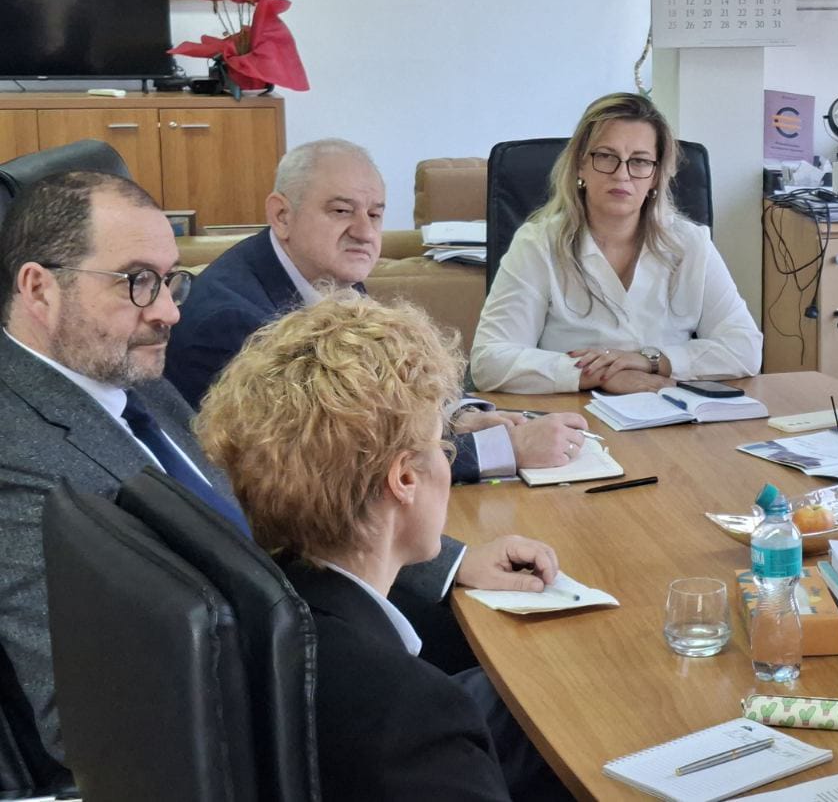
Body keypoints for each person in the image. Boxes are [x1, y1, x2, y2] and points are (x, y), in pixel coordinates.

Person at [0, 171, 558, 767]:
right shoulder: (19, 458)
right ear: (39, 289)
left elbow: (263, 502)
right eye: (136, 281)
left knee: (541, 656)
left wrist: (450, 565)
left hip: (312, 618)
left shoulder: (121, 369)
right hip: (270, 720)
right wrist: (361, 693)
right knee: (542, 715)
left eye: (169, 281)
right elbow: (88, 719)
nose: (167, 312)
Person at [196, 292, 539, 800]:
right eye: (441, 445)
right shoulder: (415, 716)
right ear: (404, 479)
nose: (446, 463)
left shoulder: (260, 615)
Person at [165, 138, 588, 478]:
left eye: (375, 214)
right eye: (341, 211)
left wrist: (455, 415)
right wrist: (503, 450)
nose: (365, 232)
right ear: (281, 215)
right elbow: (331, 462)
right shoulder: (233, 322)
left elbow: (385, 383)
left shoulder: (324, 270)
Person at [471, 93, 761, 394]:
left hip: (667, 408)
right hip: (571, 412)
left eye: (640, 161)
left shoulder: (690, 244)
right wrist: (599, 375)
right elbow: (488, 361)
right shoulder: (538, 244)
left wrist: (649, 360)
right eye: (606, 157)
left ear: (655, 176)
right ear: (580, 165)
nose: (622, 175)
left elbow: (745, 348)